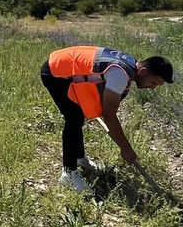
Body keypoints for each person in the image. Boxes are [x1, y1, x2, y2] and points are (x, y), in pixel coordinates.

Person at [41, 45, 174, 192]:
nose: (153, 88)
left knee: (77, 117)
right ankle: (69, 173)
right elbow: (109, 115)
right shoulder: (120, 75)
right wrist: (126, 148)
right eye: (153, 82)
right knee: (73, 118)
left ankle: (79, 158)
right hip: (55, 71)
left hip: (62, 64)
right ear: (143, 72)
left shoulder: (129, 66)